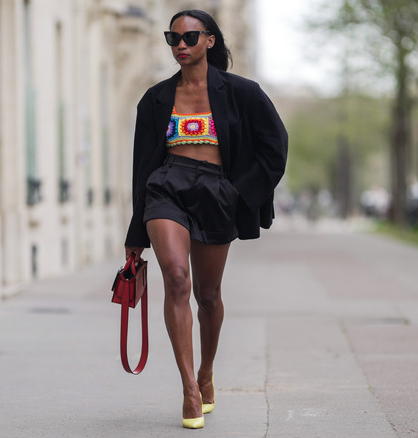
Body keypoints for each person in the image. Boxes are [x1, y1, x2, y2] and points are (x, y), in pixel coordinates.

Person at [123, 9, 287, 429]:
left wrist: (238, 194)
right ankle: (189, 390)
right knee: (177, 278)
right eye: (173, 38)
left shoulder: (242, 93)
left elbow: (275, 149)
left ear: (210, 40)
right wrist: (135, 231)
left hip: (218, 192)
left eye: (190, 37)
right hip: (167, 187)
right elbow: (142, 167)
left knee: (208, 296)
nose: (181, 45)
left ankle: (207, 371)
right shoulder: (156, 99)